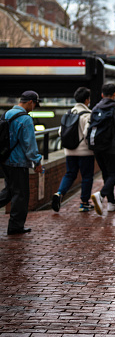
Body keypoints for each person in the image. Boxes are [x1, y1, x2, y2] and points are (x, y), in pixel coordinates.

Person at [0, 90, 43, 235]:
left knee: (9, 192)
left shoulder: (6, 114)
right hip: (18, 162)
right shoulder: (25, 119)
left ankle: (15, 226)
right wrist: (37, 161)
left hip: (5, 159)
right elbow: (29, 144)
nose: (34, 107)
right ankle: (15, 227)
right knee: (21, 195)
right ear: (31, 102)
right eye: (35, 104)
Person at [52, 87, 95, 213]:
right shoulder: (88, 114)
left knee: (70, 174)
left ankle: (60, 193)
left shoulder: (68, 113)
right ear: (87, 100)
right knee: (87, 177)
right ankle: (84, 203)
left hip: (69, 151)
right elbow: (88, 134)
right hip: (85, 152)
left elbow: (61, 132)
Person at [91, 83, 115, 215]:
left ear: (102, 94)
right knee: (114, 174)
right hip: (112, 148)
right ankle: (101, 196)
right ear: (114, 95)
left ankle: (112, 203)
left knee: (107, 174)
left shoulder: (95, 109)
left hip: (98, 148)